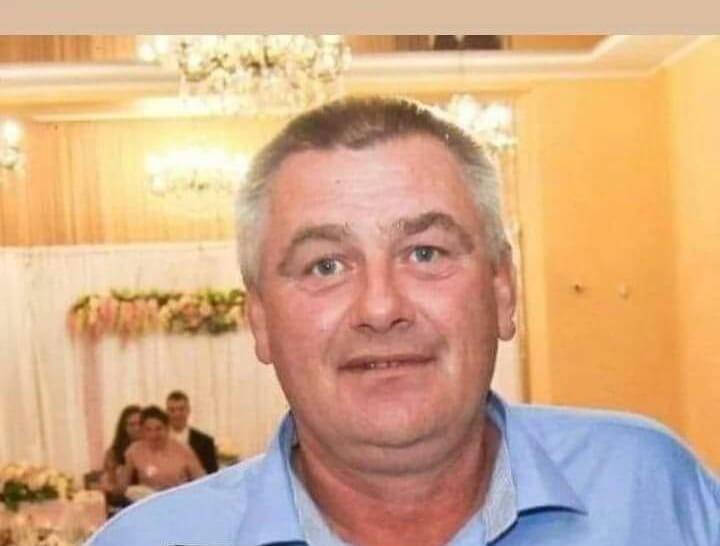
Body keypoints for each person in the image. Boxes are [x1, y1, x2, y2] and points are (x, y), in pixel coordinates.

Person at [85, 96, 720, 546]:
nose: (381, 308)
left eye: (425, 253)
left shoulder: (652, 489)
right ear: (261, 320)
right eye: (326, 265)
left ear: (502, 290)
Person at [116, 405, 205, 496]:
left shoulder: (184, 450)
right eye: (148, 429)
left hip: (180, 498)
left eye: (158, 429)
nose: (153, 435)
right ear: (142, 430)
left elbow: (202, 481)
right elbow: (122, 487)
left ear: (167, 428)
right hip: (149, 499)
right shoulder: (134, 451)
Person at [165, 390, 219, 473]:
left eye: (181, 409)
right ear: (166, 412)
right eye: (172, 410)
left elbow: (212, 475)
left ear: (188, 410)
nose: (177, 414)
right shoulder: (158, 440)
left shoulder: (205, 442)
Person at [99, 404, 141, 509]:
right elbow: (108, 483)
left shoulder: (152, 448)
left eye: (139, 424)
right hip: (122, 503)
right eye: (131, 425)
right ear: (124, 427)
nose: (137, 428)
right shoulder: (113, 452)